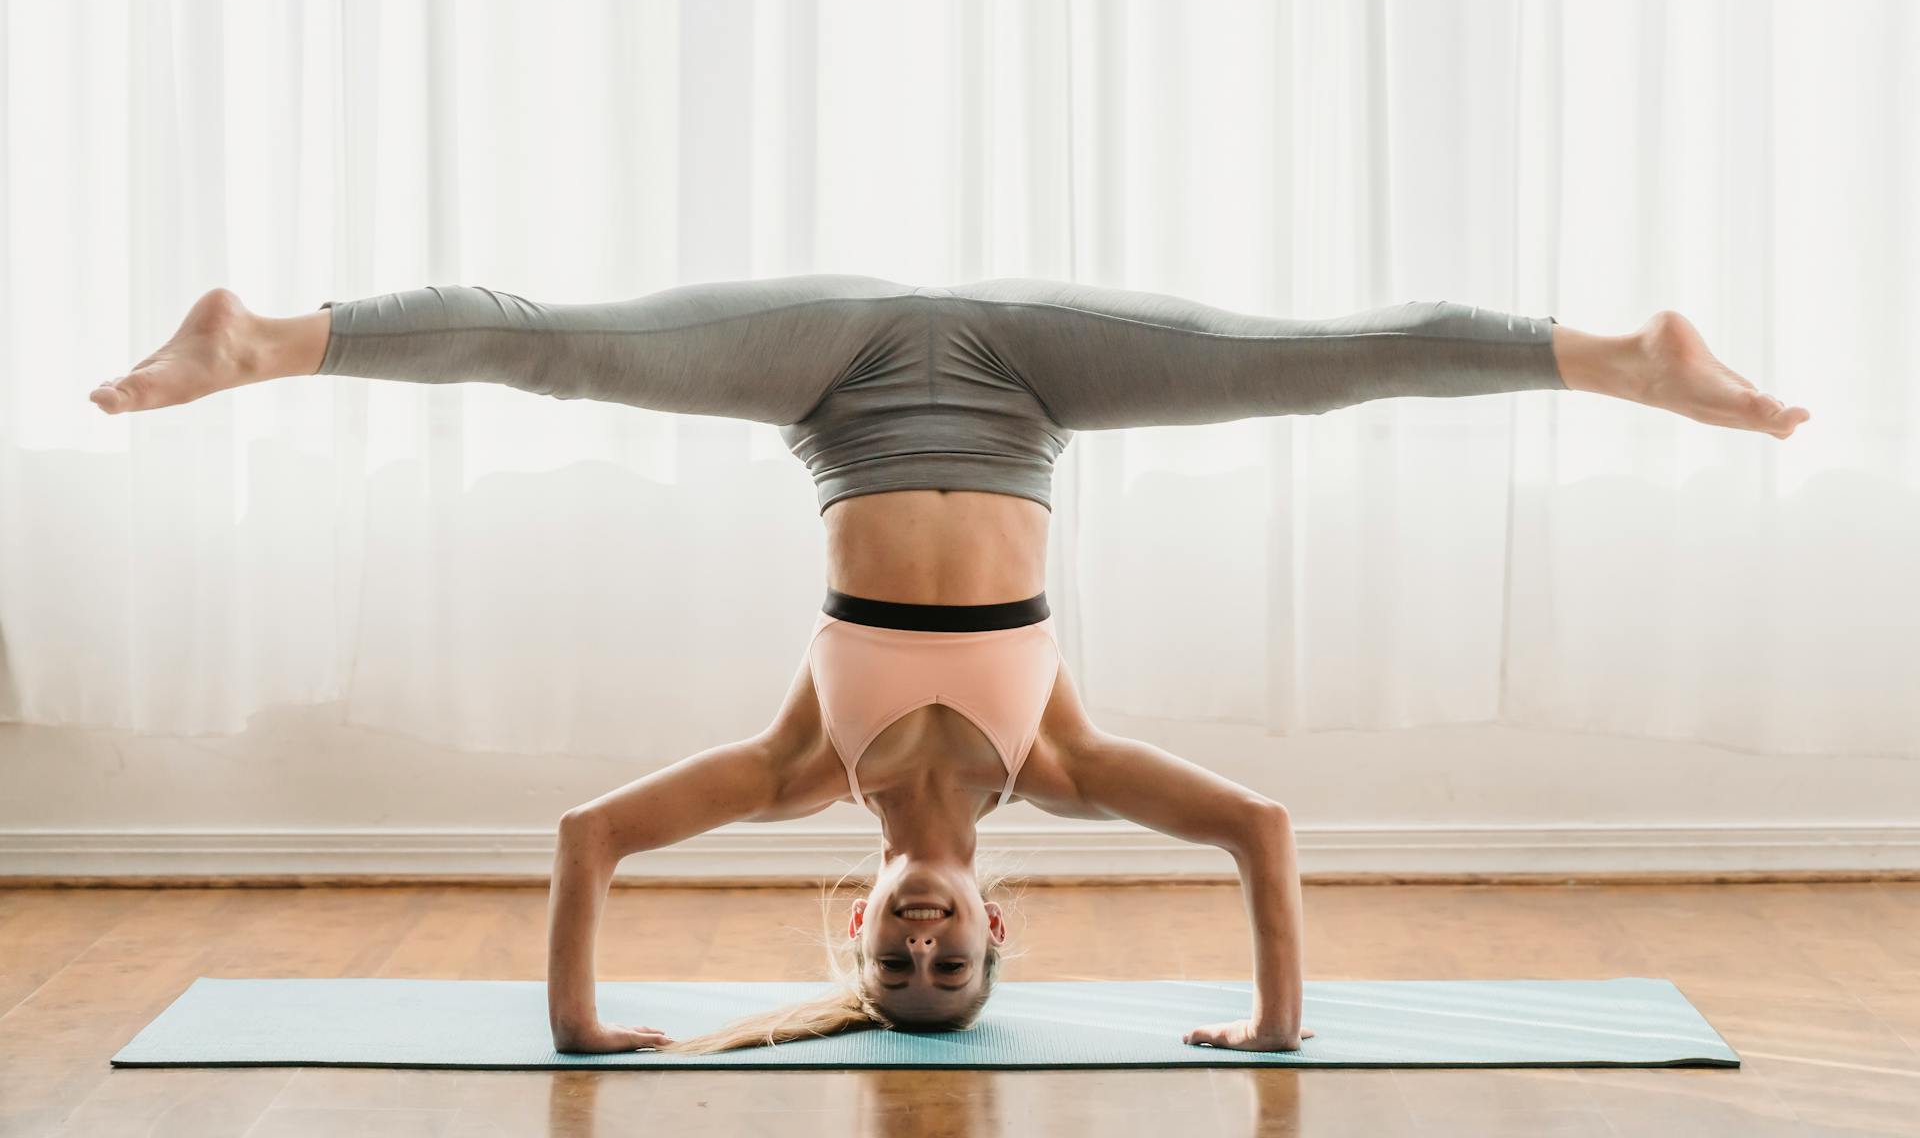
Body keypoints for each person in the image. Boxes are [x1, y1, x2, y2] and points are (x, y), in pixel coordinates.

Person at [90, 274, 1809, 1055]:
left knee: (565, 347)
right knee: (1321, 364)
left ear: (856, 931)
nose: (921, 947)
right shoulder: (1055, 764)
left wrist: (582, 1027)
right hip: (1032, 382)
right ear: (1000, 927)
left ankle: (266, 343)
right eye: (952, 966)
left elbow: (585, 844)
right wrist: (1279, 1031)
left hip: (833, 380)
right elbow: (1263, 830)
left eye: (896, 969)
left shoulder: (787, 772)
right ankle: (1621, 359)